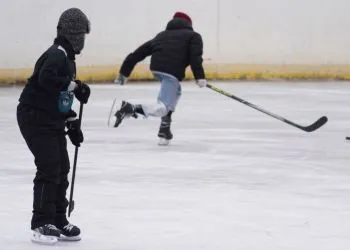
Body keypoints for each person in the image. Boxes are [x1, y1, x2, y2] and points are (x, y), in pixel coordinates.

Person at [16, 8, 91, 244]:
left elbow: (59, 97)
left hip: (50, 116)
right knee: (50, 167)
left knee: (62, 166)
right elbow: (46, 80)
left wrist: (71, 121)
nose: (83, 42)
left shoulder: (67, 59)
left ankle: (58, 218)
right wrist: (74, 86)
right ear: (73, 34)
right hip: (34, 116)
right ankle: (41, 222)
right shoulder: (57, 55)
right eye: (82, 35)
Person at [113, 11, 207, 145]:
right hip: (171, 72)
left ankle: (165, 128)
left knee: (176, 92)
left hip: (157, 69)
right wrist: (200, 77)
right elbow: (195, 57)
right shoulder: (193, 36)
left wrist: (124, 73)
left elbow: (138, 53)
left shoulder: (161, 35)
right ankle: (131, 108)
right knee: (162, 107)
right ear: (189, 24)